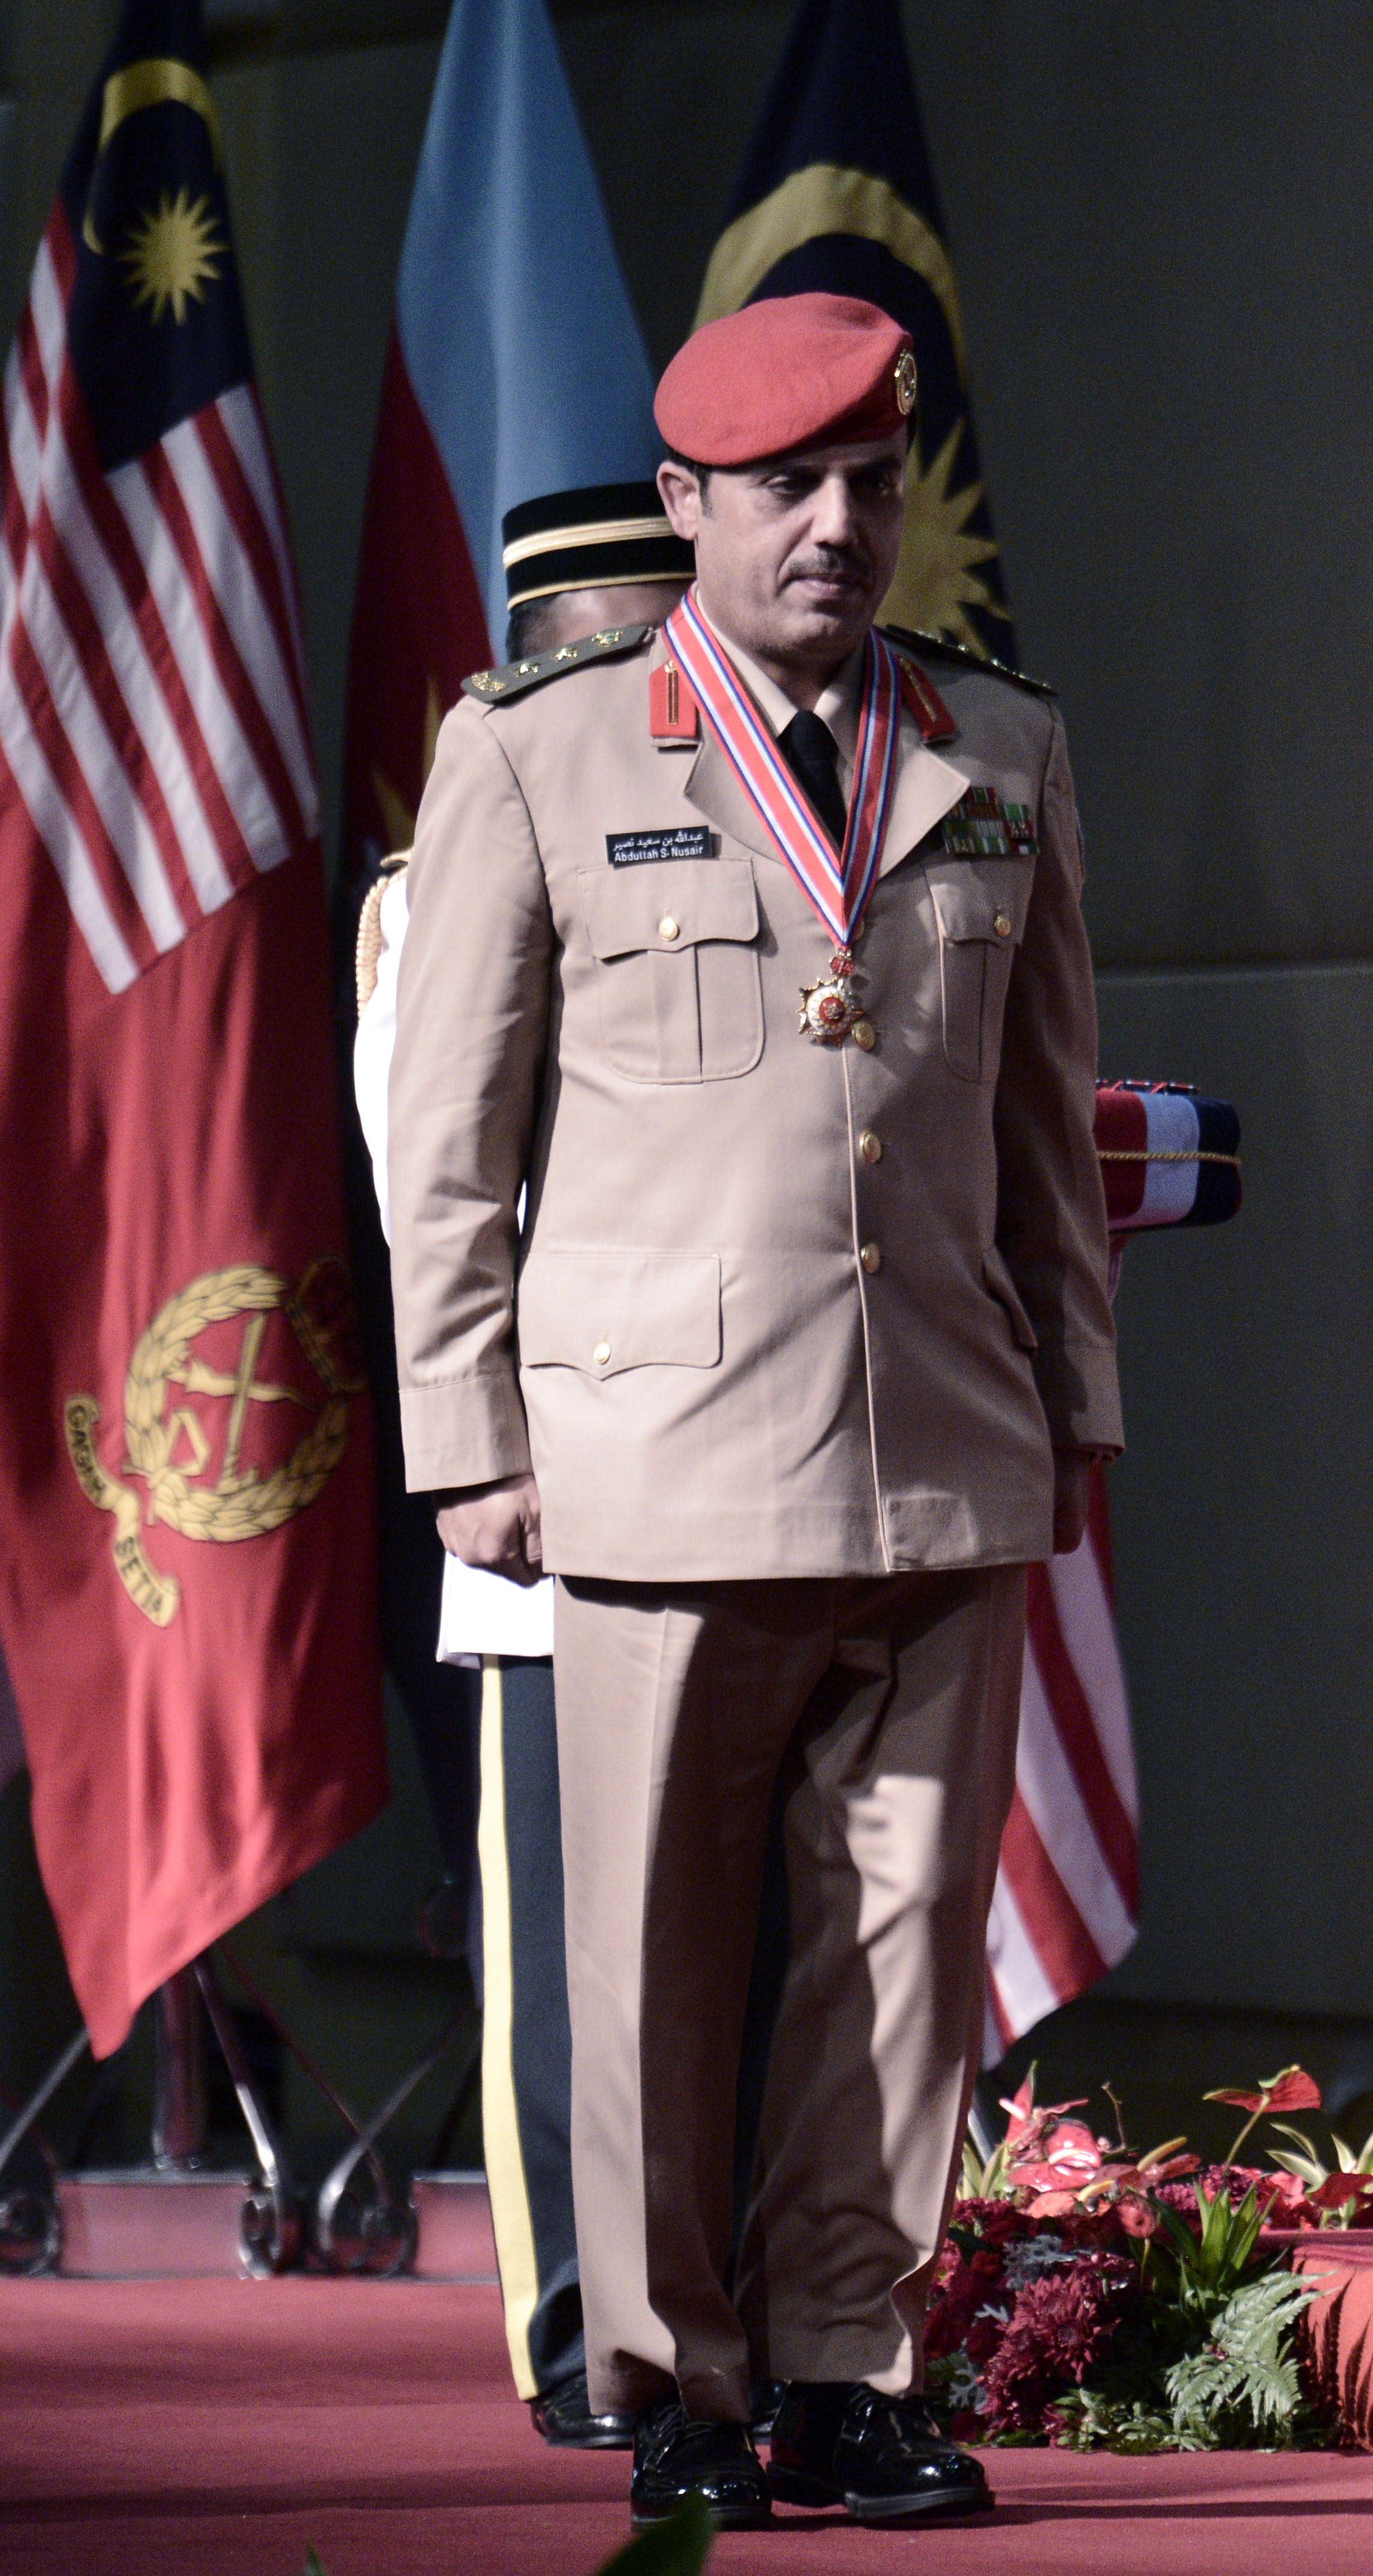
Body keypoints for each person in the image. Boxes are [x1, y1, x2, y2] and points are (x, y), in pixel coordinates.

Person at [384, 294, 1119, 2528]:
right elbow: (447, 1142)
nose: (836, 525)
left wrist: (1074, 1403)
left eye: (870, 483)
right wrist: (466, 1436)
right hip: (657, 1461)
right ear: (687, 505)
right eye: (784, 487)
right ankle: (672, 2377)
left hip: (942, 1445)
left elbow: (1034, 1124)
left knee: (902, 1953)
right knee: (657, 1953)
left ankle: (844, 2365)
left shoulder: (997, 748)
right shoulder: (538, 751)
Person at [351, 484, 692, 2452]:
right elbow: (440, 1195)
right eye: (632, 646)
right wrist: (490, 1451)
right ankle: (580, 2319)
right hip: (564, 1483)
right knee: (572, 1953)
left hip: (756, 1474)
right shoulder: (441, 877)